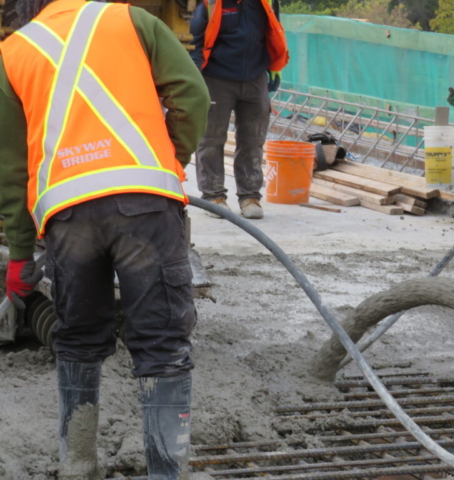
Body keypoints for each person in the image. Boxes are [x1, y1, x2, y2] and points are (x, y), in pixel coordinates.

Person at [0, 0, 210, 477]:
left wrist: (18, 253)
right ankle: (167, 472)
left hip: (68, 214)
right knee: (161, 340)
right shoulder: (132, 20)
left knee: (77, 338)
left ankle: (77, 463)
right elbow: (192, 95)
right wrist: (165, 158)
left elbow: (10, 169)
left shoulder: (13, 51)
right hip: (144, 206)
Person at [189, 0, 289, 220]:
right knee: (211, 139)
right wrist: (193, 79)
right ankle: (213, 196)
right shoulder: (211, 5)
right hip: (216, 78)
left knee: (253, 140)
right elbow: (194, 42)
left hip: (255, 78)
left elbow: (274, 31)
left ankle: (250, 196)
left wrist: (274, 66)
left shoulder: (265, 2)